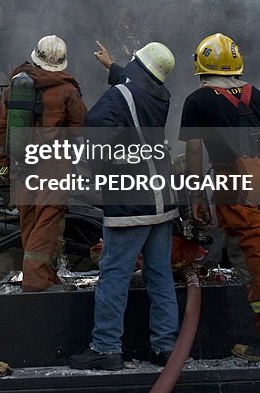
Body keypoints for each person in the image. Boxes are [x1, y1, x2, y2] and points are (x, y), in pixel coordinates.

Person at [179, 33, 260, 363]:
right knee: (248, 243)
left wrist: (197, 197)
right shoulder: (258, 95)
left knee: (253, 253)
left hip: (233, 181)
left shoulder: (197, 101)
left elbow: (193, 152)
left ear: (200, 67)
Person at [68, 41, 179, 370]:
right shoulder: (162, 96)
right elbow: (132, 90)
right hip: (162, 197)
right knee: (160, 275)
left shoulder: (119, 97)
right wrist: (111, 66)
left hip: (132, 201)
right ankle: (166, 346)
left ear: (138, 65)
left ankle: (105, 347)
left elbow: (94, 135)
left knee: (114, 274)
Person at [0, 35, 86, 292]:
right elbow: (79, 128)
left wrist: (4, 165)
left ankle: (45, 277)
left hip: (21, 163)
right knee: (47, 221)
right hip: (52, 166)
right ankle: (35, 281)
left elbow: (1, 129)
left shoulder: (15, 85)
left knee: (29, 219)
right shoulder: (67, 89)